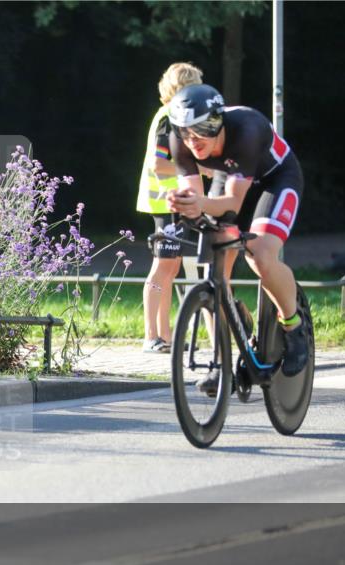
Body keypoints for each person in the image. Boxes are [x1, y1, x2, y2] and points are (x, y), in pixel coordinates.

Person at [165, 83, 309, 389]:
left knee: (260, 255)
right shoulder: (178, 141)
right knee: (214, 270)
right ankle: (224, 356)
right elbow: (195, 195)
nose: (193, 140)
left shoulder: (247, 128)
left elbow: (231, 203)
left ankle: (293, 326)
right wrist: (183, 202)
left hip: (274, 181)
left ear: (218, 122)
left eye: (202, 130)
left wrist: (200, 204)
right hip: (230, 179)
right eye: (185, 132)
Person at [136, 63, 204, 353]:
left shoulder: (174, 116)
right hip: (165, 202)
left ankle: (165, 336)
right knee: (163, 266)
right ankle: (152, 336)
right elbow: (158, 162)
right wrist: (198, 169)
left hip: (170, 201)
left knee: (170, 266)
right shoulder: (168, 117)